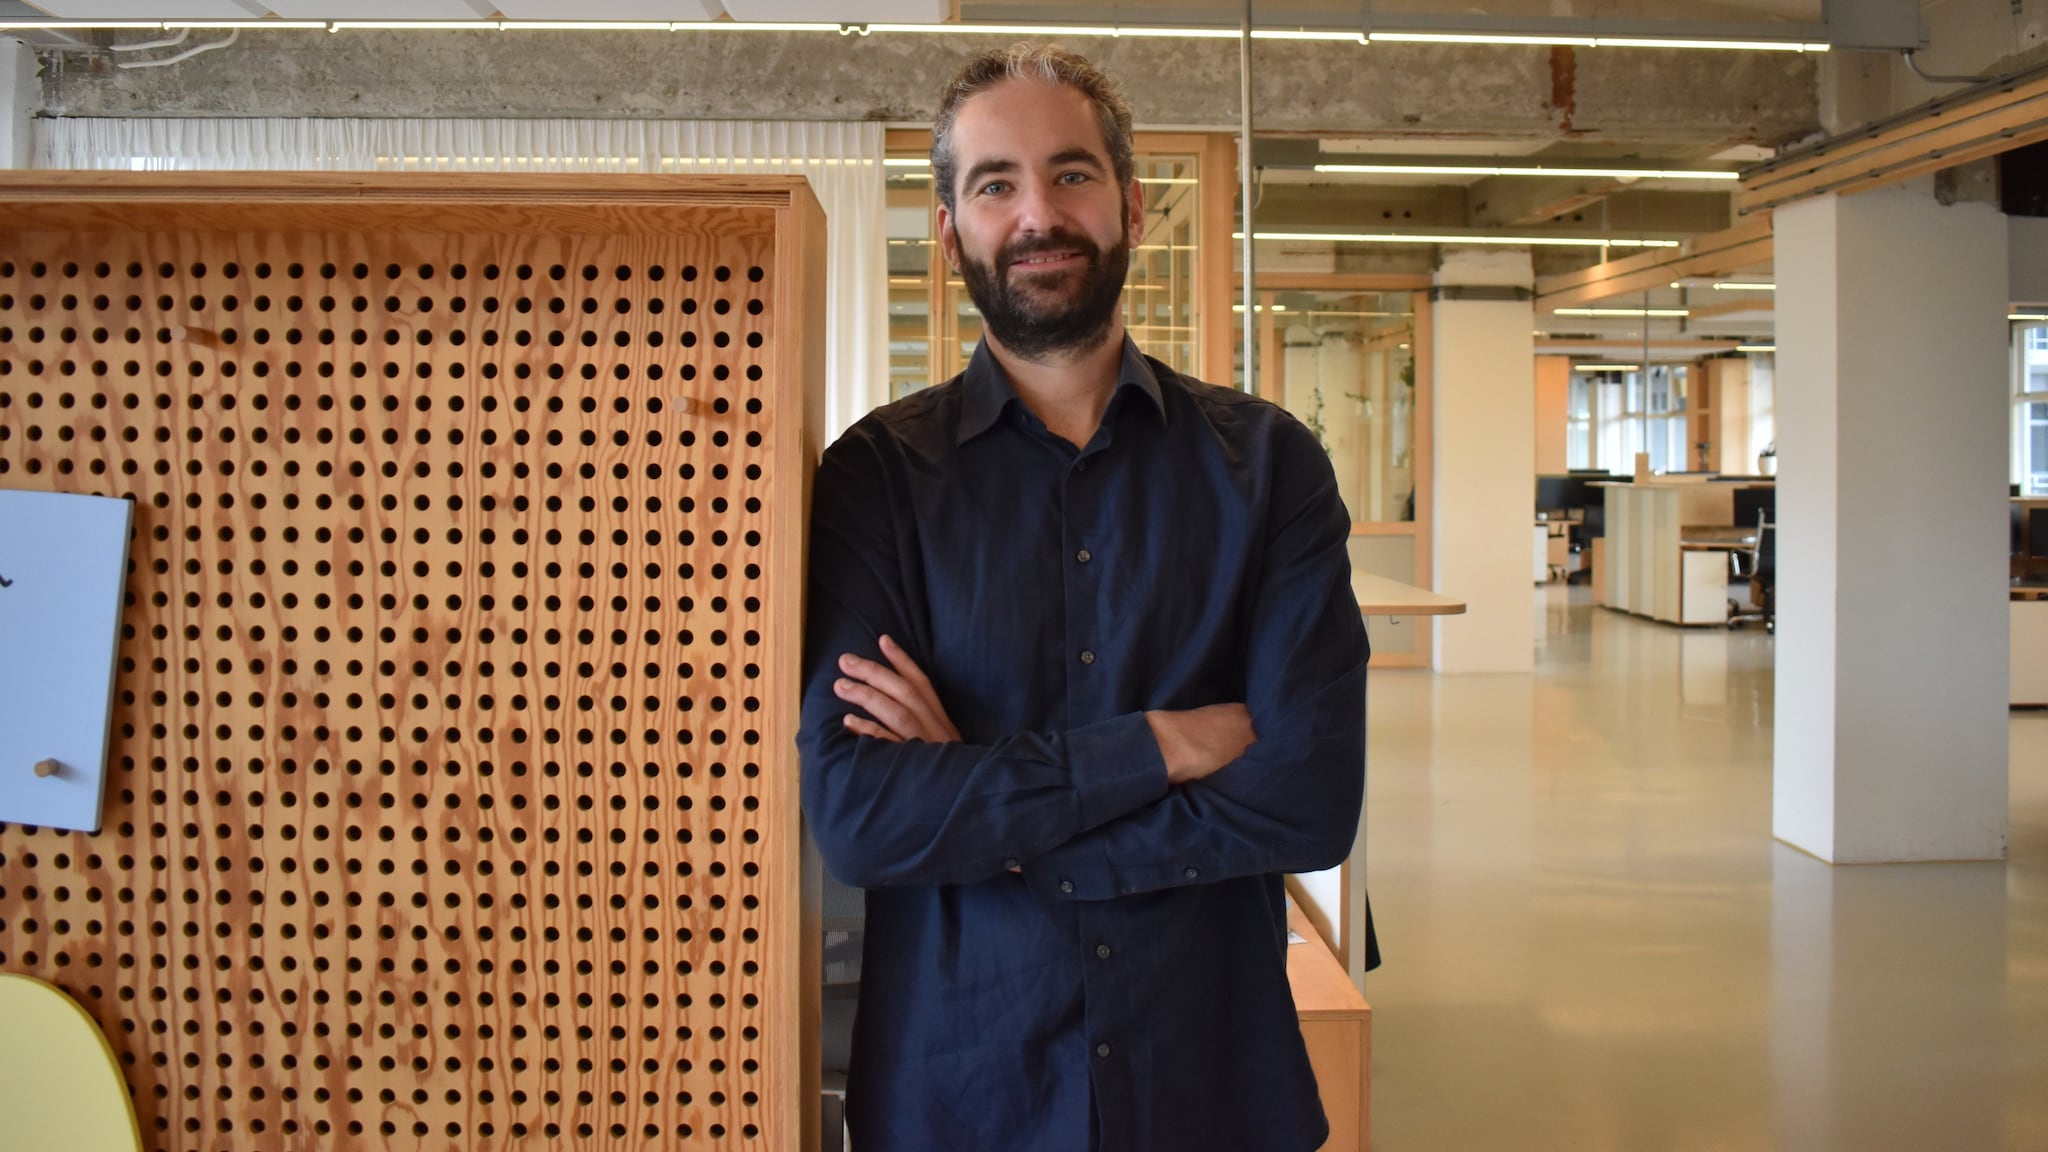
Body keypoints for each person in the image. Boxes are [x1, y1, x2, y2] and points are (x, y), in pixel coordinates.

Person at [798, 44, 1369, 1152]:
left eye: (1071, 174)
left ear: (1131, 207)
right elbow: (863, 820)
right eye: (995, 184)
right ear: (951, 231)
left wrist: (982, 807)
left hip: (1208, 1083)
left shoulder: (1268, 467)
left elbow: (1306, 799)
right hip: (963, 1094)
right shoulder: (875, 480)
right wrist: (1158, 745)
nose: (1037, 215)